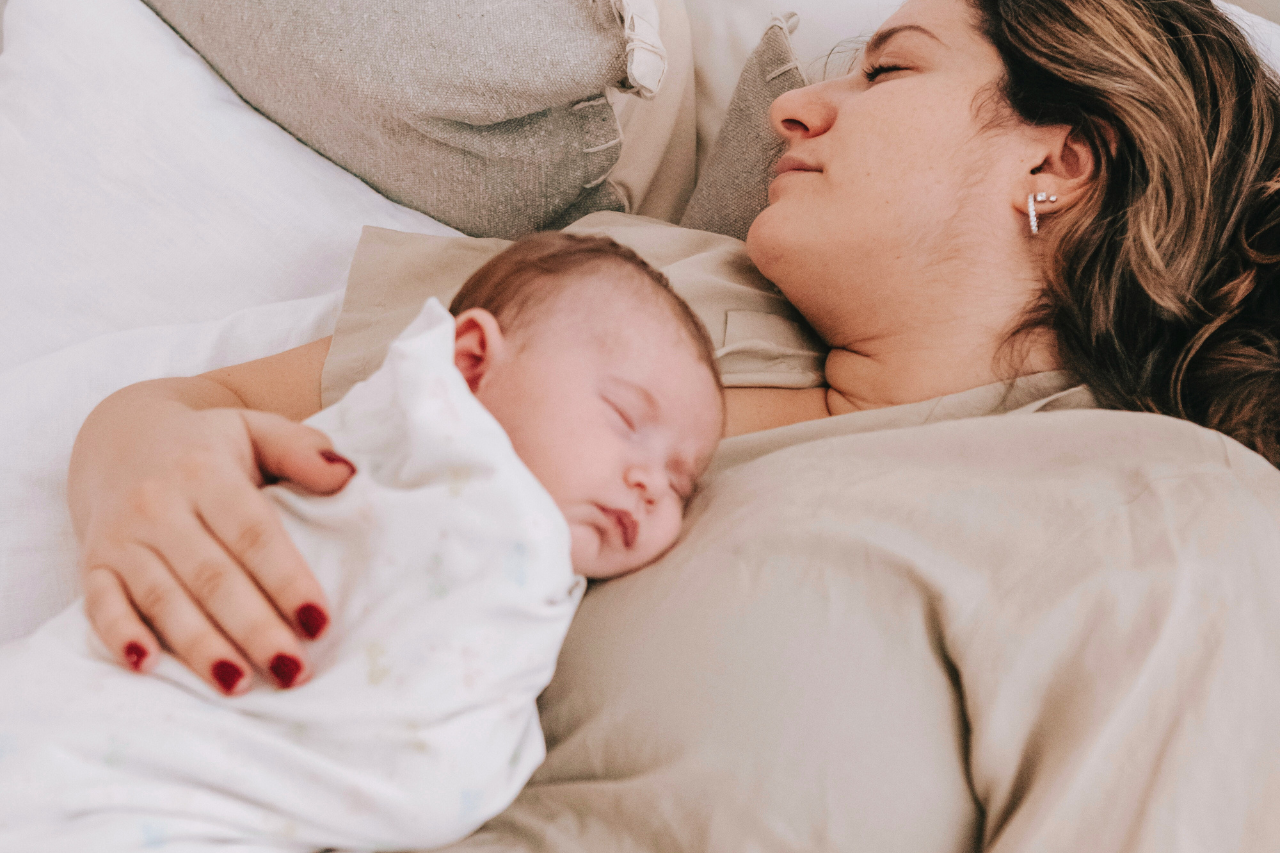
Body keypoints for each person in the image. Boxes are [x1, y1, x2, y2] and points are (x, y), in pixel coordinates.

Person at [59, 0, 1280, 848]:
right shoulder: (642, 295)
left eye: (886, 69)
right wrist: (139, 471)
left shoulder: (1163, 507)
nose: (797, 107)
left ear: (1058, 163)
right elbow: (194, 403)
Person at [0, 232, 724, 851]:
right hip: (84, 757)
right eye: (627, 418)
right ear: (471, 362)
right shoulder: (437, 449)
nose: (650, 484)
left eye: (682, 482)